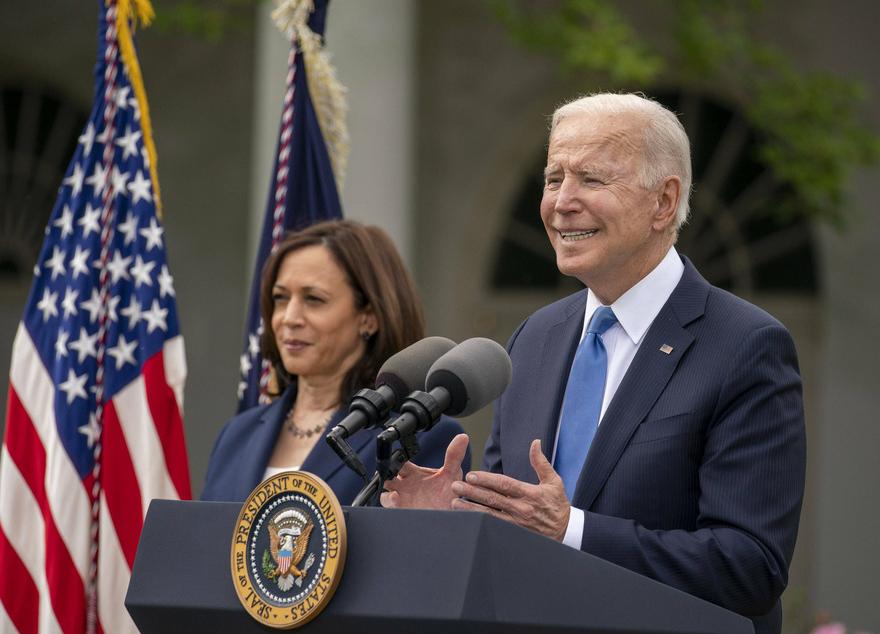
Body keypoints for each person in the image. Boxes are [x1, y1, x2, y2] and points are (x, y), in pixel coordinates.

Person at [382, 93, 805, 634]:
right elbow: (517, 533)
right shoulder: (534, 338)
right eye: (554, 178)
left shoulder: (746, 346)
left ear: (664, 202)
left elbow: (750, 566)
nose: (562, 202)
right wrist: (457, 522)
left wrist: (572, 531)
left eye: (591, 179)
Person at [201, 220, 471, 506]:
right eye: (280, 298)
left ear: (369, 317)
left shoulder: (420, 435)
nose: (289, 317)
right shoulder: (236, 435)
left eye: (314, 299)